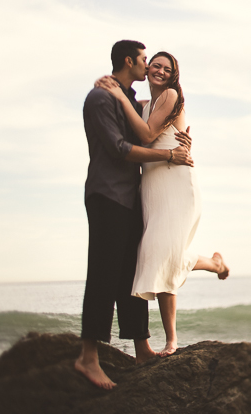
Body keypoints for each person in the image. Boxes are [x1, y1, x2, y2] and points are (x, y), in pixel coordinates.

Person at [75, 40, 194, 390]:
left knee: (131, 273)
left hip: (130, 198)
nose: (149, 66)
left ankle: (141, 348)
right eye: (145, 60)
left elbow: (158, 120)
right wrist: (169, 157)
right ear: (129, 61)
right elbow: (119, 148)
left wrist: (181, 142)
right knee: (103, 274)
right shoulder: (100, 98)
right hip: (107, 195)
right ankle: (88, 357)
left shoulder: (128, 99)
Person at [96, 50, 229, 358]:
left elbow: (146, 134)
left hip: (175, 182)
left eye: (165, 68)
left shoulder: (169, 96)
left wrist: (118, 95)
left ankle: (172, 340)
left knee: (165, 254)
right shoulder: (145, 104)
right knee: (163, 254)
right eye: (154, 65)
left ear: (173, 75)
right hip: (152, 186)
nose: (158, 70)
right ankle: (215, 264)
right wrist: (114, 91)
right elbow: (135, 117)